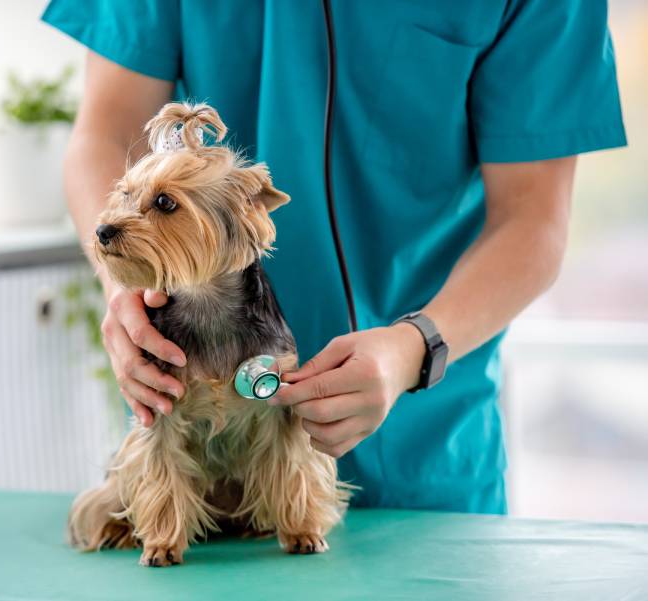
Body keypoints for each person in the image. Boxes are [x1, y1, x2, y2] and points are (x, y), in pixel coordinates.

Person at [42, 1, 626, 513]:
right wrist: (124, 288)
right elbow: (108, 132)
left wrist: (412, 348)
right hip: (198, 457)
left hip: (422, 453)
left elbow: (532, 223)